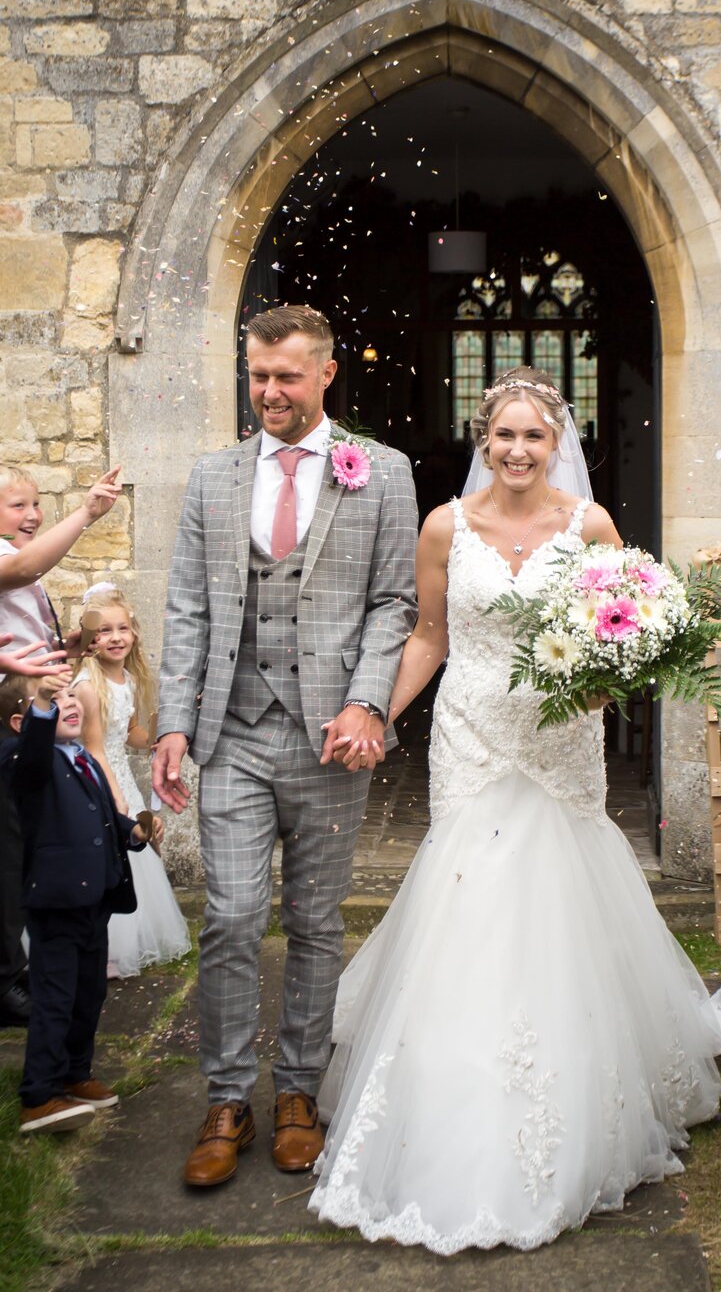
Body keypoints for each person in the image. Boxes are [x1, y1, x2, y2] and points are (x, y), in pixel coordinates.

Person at [309, 368, 721, 1254]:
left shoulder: (591, 526)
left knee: (557, 894)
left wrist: (603, 683)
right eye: (502, 435)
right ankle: (449, 1091)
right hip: (470, 729)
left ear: (557, 443)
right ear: (482, 438)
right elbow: (429, 634)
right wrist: (377, 709)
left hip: (557, 737)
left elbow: (626, 626)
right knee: (470, 895)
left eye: (533, 437)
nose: (516, 450)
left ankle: (584, 1089)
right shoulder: (443, 526)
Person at [152, 305, 417, 1187]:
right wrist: (176, 721)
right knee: (228, 916)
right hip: (231, 731)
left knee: (312, 920)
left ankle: (299, 1088)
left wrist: (367, 702)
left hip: (329, 740)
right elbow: (187, 602)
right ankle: (228, 1095)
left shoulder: (383, 473)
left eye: (286, 377)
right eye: (257, 375)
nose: (268, 392)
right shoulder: (212, 477)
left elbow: (394, 604)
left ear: (326, 374)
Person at [0, 670, 156, 1134]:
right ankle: (39, 1095)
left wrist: (134, 831)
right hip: (55, 902)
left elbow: (104, 814)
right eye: (49, 700)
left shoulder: (81, 758)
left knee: (90, 992)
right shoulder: (22, 761)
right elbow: (29, 758)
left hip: (94, 900)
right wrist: (43, 710)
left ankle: (75, 1072)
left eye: (70, 695)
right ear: (18, 722)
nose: (67, 702)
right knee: (56, 998)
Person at [0, 463, 122, 1031]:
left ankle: (25, 964)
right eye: (17, 506)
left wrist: (66, 653)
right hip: (9, 724)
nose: (32, 516)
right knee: (9, 849)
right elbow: (26, 564)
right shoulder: (8, 558)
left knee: (30, 841)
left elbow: (29, 646)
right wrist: (88, 513)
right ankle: (6, 978)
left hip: (33, 715)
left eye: (35, 504)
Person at [72, 583, 189, 978]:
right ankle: (97, 948)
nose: (115, 638)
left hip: (119, 770)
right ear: (90, 638)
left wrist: (156, 739)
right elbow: (94, 748)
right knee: (103, 860)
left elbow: (129, 732)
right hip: (96, 780)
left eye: (122, 628)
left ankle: (126, 944)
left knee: (133, 858)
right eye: (104, 631)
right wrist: (116, 798)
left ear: (134, 632)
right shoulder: (88, 685)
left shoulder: (130, 679)